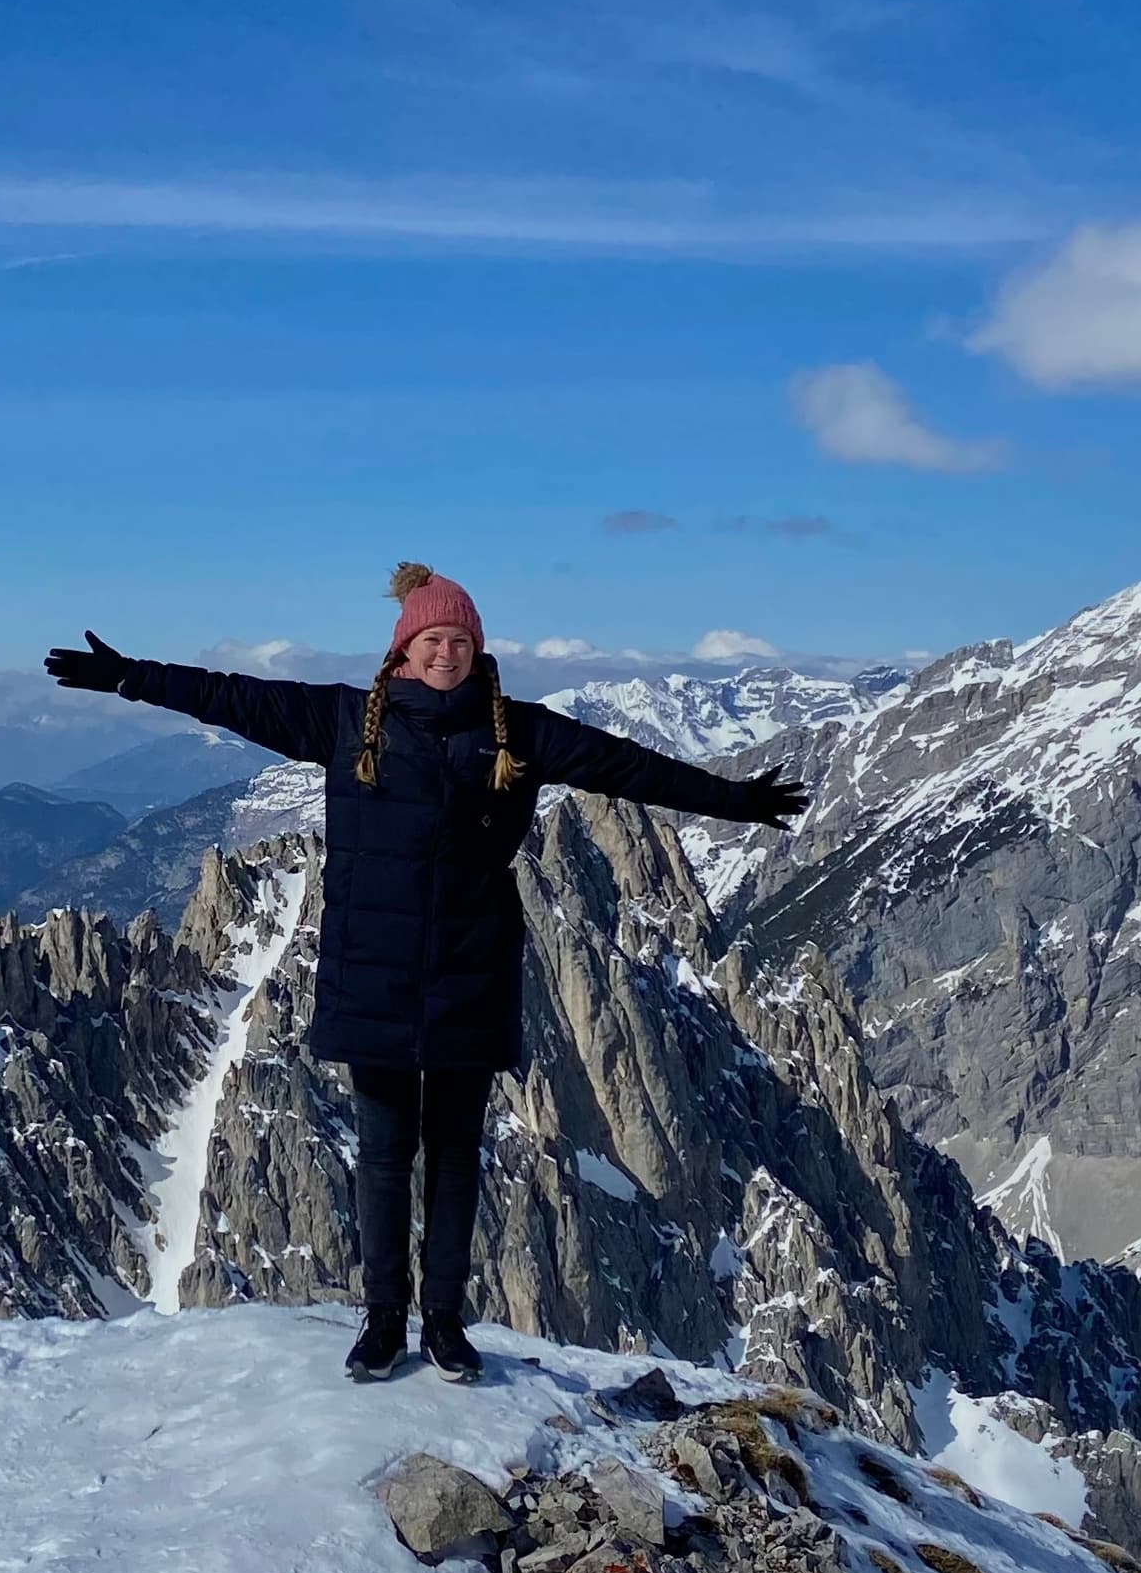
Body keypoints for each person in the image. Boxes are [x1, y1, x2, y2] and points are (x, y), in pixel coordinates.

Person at [44, 564, 807, 1385]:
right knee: (383, 1153)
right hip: (374, 973)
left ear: (478, 650)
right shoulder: (343, 721)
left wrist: (732, 801)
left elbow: (628, 769)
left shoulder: (519, 731)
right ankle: (382, 1320)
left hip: (467, 973)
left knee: (451, 1153)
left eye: (460, 641)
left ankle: (443, 1325)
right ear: (403, 649)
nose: (445, 653)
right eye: (431, 640)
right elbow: (233, 697)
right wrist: (129, 677)